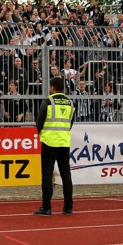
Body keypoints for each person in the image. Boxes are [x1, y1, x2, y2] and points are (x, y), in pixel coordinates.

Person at [34, 77, 75, 217]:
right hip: (64, 142)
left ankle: (47, 207)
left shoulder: (48, 101)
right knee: (66, 175)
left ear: (52, 87)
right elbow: (70, 123)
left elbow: (39, 122)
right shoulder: (70, 102)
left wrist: (43, 134)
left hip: (49, 142)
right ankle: (68, 207)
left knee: (47, 175)